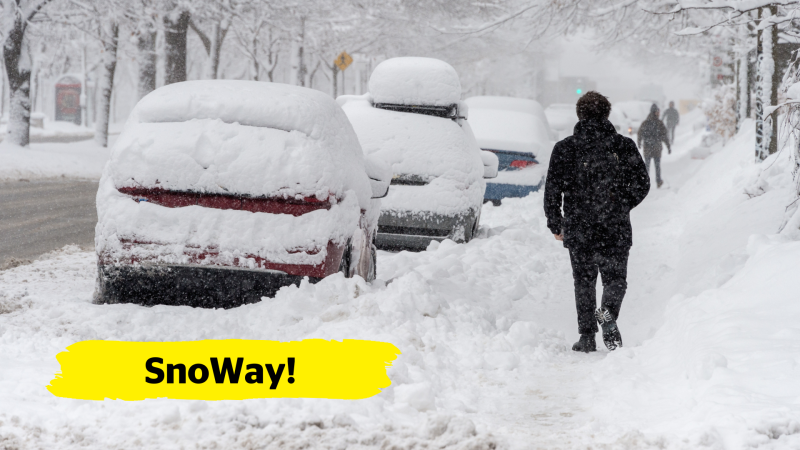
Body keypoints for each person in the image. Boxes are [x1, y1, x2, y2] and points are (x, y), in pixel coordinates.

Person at [543, 91, 650, 353]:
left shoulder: (565, 148)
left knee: (584, 280)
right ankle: (608, 312)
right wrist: (622, 204)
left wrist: (556, 222)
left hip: (579, 226)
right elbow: (642, 183)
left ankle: (587, 337)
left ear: (579, 115)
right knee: (615, 279)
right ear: (607, 114)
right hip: (615, 227)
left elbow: (552, 189)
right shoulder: (623, 146)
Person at [638, 104, 671, 189]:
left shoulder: (645, 123)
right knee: (657, 166)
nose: (658, 113)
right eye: (657, 111)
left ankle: (644, 182)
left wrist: (639, 142)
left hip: (648, 148)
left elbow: (640, 133)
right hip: (656, 148)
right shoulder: (659, 123)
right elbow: (664, 136)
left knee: (647, 167)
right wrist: (668, 146)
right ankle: (658, 181)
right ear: (655, 112)